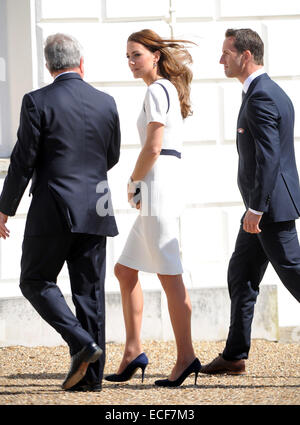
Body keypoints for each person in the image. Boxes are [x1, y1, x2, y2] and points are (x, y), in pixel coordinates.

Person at [0, 33, 121, 391]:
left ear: (49, 65)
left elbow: (23, 161)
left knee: (34, 280)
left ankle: (81, 343)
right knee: (90, 292)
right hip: (97, 202)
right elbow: (111, 155)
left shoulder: (37, 101)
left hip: (52, 206)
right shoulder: (106, 102)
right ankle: (92, 381)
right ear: (81, 63)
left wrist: (5, 208)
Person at [105, 29, 200, 388]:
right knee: (125, 271)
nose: (131, 62)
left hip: (158, 183)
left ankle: (186, 356)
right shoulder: (161, 90)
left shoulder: (158, 89)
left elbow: (154, 145)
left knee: (168, 274)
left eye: (137, 55)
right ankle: (133, 351)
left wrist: (133, 182)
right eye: (127, 56)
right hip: (159, 181)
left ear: (155, 56)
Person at [201, 28, 300, 375]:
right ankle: (234, 355)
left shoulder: (261, 96)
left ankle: (233, 354)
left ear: (245, 55)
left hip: (268, 210)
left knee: (296, 276)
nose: (220, 59)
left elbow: (270, 158)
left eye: (226, 53)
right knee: (241, 274)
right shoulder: (265, 91)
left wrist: (256, 209)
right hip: (261, 208)